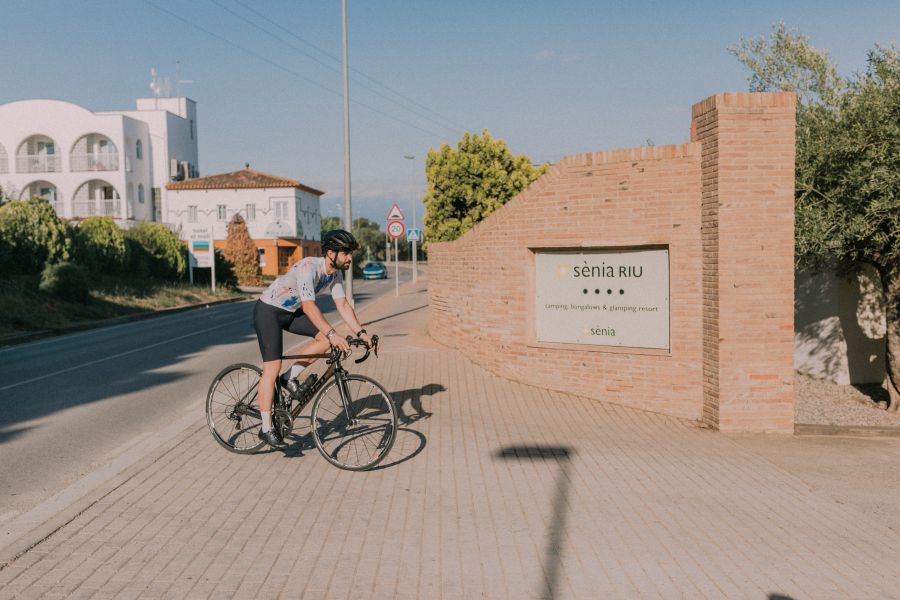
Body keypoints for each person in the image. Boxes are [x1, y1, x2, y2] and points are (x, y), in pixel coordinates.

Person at [253, 229, 373, 449]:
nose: (349, 257)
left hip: (289, 311)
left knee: (325, 340)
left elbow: (343, 305)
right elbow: (309, 307)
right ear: (330, 253)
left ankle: (290, 378)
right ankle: (266, 428)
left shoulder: (335, 273)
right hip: (268, 310)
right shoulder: (309, 268)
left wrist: (361, 333)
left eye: (349, 253)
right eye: (345, 253)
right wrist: (332, 333)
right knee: (272, 367)